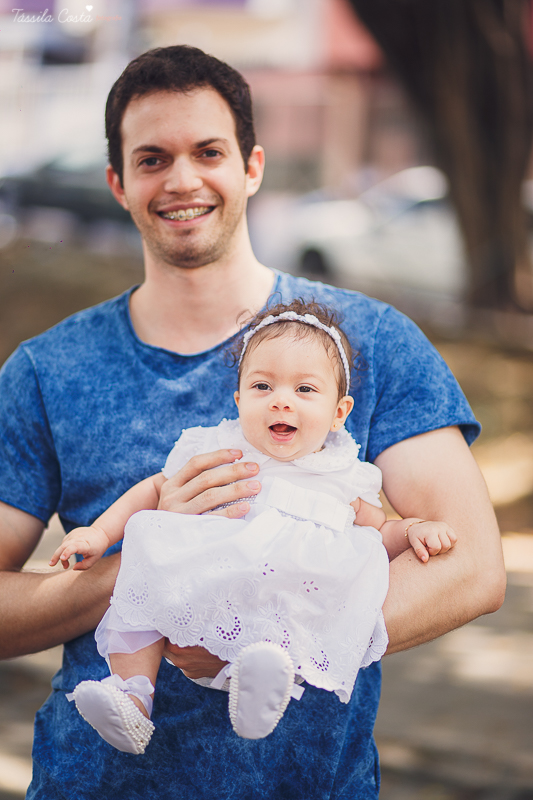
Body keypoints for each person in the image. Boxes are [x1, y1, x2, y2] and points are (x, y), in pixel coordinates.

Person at [0, 45, 504, 799]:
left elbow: (471, 567)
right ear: (118, 183)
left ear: (252, 166)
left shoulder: (370, 343)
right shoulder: (46, 371)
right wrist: (160, 562)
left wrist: (267, 637)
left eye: (208, 151)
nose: (181, 179)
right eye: (151, 158)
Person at [50, 300, 457, 751]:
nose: (281, 399)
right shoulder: (221, 447)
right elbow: (153, 488)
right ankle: (132, 695)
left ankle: (253, 689)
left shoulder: (343, 473)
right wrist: (101, 533)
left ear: (340, 412)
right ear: (240, 400)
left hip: (277, 596)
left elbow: (377, 531)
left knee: (282, 626)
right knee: (147, 572)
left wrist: (413, 528)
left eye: (305, 389)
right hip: (204, 578)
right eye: (263, 385)